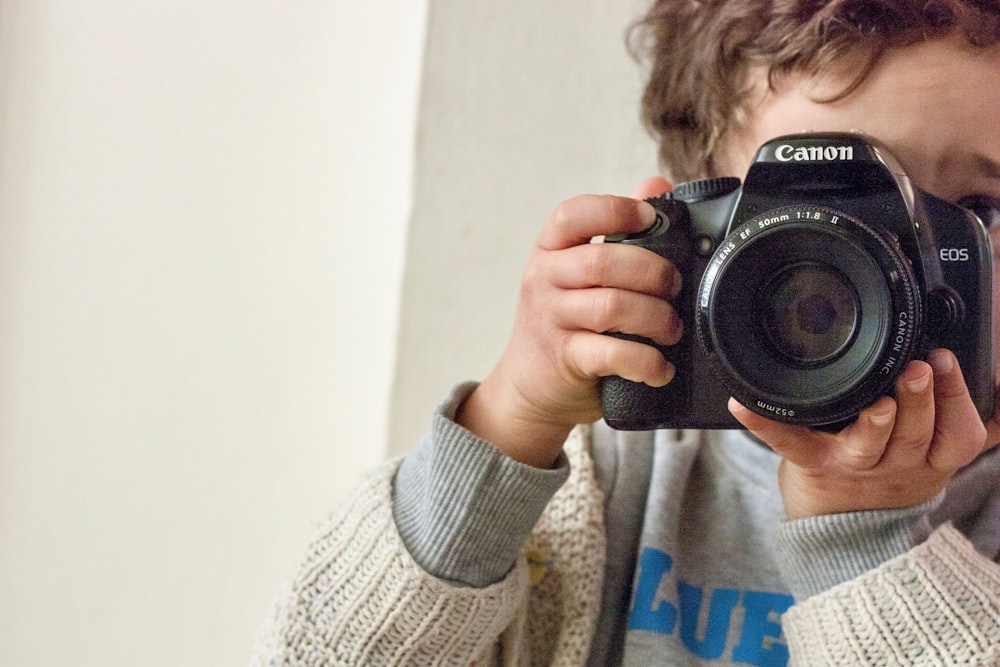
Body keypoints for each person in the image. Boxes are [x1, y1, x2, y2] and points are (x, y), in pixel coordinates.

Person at [250, 2, 1000, 665]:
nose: (899, 260)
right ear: (694, 228)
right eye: (828, 213)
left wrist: (866, 543)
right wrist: (510, 418)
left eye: (980, 208)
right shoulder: (607, 479)